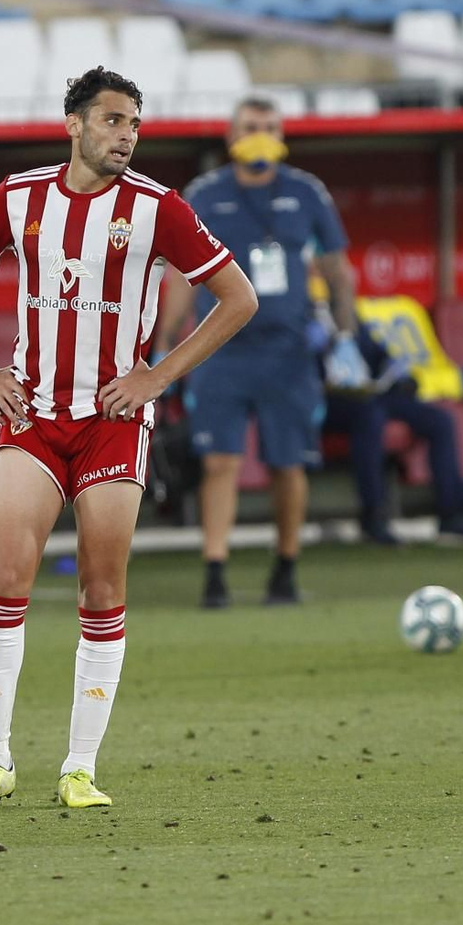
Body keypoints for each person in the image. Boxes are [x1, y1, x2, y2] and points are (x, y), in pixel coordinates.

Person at [0, 67, 257, 813]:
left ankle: (79, 767)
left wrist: (156, 376)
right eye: (113, 121)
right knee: (8, 573)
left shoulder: (158, 208)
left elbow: (238, 297)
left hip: (115, 422)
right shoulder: (17, 197)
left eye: (135, 124)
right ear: (75, 125)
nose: (126, 136)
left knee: (102, 588)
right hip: (35, 415)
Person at [156, 95, 367, 609]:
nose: (262, 134)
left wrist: (345, 337)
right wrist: (163, 347)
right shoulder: (205, 194)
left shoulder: (306, 192)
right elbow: (183, 276)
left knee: (287, 463)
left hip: (288, 351)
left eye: (271, 126)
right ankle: (215, 570)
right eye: (252, 126)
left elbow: (338, 270)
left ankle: (286, 568)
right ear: (231, 136)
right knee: (219, 461)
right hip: (219, 351)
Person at [320, 293, 463, 545]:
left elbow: (377, 354)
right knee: (370, 416)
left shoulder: (348, 314)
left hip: (370, 394)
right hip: (329, 400)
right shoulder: (308, 314)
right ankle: (374, 518)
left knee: (440, 420)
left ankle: (452, 515)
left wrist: (399, 376)